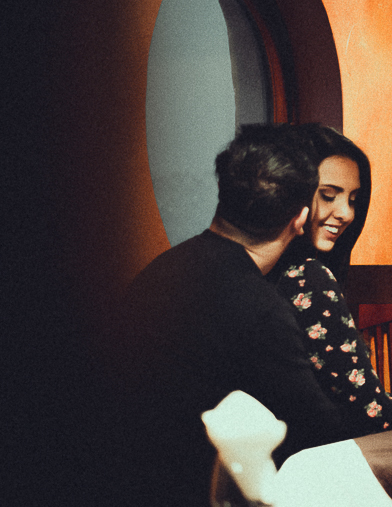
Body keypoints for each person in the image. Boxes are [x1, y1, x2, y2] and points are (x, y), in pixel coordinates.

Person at [112, 125, 349, 507]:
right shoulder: (259, 307)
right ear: (301, 218)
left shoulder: (158, 273)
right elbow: (319, 431)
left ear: (224, 196)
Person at [268, 124, 392, 434]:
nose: (346, 213)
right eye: (328, 196)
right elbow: (379, 416)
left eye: (354, 199)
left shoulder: (267, 269)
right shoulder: (307, 278)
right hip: (323, 453)